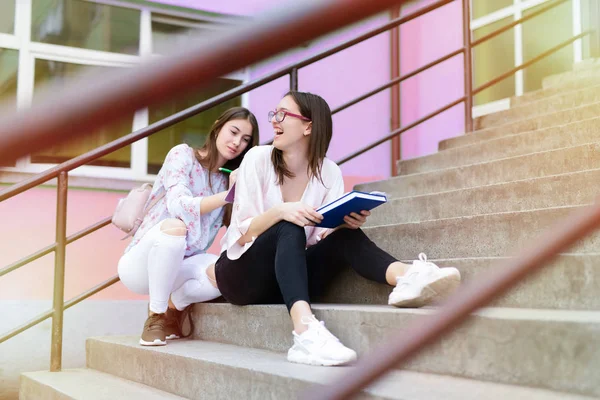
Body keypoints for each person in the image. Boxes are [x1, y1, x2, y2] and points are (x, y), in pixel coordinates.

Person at [208, 92, 461, 366]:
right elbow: (242, 234)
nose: (274, 121)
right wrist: (282, 211)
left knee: (344, 234)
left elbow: (319, 238)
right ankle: (305, 334)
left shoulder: (329, 172)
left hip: (287, 278)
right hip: (241, 276)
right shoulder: (258, 158)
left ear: (309, 126)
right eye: (274, 114)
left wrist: (342, 223)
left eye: (283, 115)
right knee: (288, 225)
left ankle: (407, 277)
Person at [118, 107, 259, 346]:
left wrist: (243, 192)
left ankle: (175, 306)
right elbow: (177, 205)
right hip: (141, 264)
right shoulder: (182, 155)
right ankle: (156, 317)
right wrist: (228, 196)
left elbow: (240, 228)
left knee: (226, 271)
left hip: (181, 268)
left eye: (245, 139)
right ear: (217, 127)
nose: (237, 142)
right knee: (175, 228)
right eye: (233, 132)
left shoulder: (228, 179)